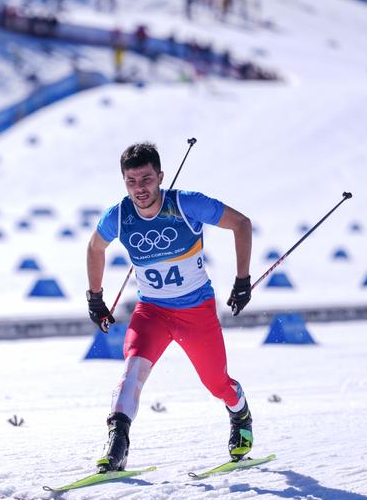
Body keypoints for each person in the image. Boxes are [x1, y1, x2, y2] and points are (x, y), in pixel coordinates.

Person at [84, 142, 254, 472]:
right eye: (131, 181)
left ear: (160, 177)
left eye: (146, 179)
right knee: (133, 370)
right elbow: (95, 248)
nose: (140, 189)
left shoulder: (187, 204)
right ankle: (117, 442)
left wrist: (242, 280)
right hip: (152, 313)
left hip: (196, 311)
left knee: (216, 383)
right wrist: (95, 298)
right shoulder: (119, 216)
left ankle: (240, 412)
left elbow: (242, 224)